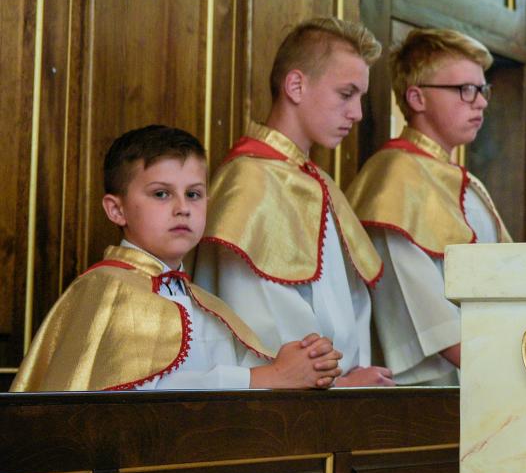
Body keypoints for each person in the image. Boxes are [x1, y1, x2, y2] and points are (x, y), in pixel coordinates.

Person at [12, 125, 343, 391]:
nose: (183, 207)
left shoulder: (204, 302)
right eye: (161, 194)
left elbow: (262, 376)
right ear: (116, 210)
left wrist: (307, 364)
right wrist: (271, 376)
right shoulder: (107, 290)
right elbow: (137, 398)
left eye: (194, 194)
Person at [196, 17, 394, 387]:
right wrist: (340, 385)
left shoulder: (316, 181)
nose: (357, 113)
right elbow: (259, 325)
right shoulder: (250, 182)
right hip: (286, 405)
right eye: (346, 94)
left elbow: (348, 304)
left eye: (360, 97)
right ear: (296, 86)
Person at [347, 28, 511, 385]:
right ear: (417, 98)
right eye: (465, 89)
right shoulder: (395, 178)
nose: (480, 102)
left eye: (482, 90)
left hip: (484, 372)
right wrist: (507, 372)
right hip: (434, 387)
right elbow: (423, 309)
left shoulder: (467, 181)